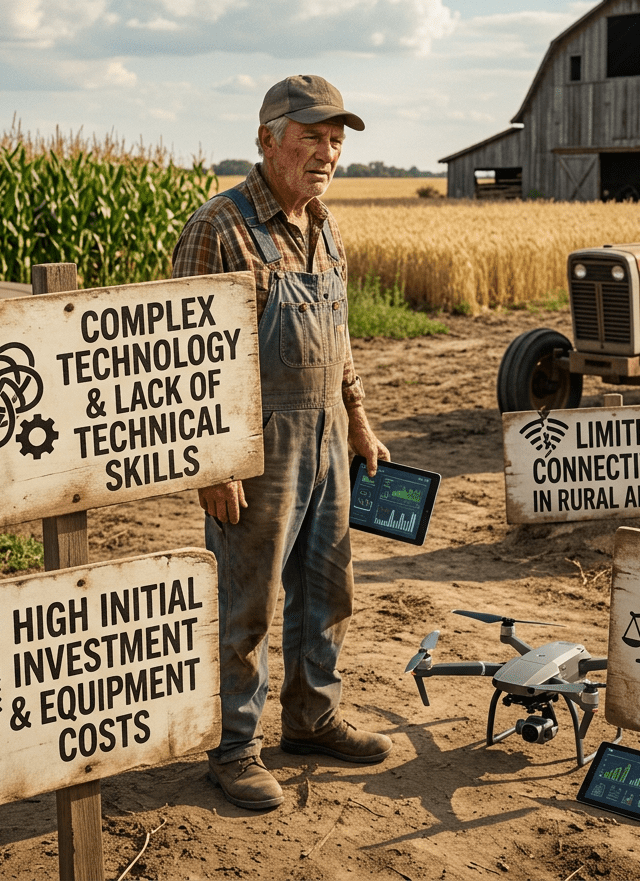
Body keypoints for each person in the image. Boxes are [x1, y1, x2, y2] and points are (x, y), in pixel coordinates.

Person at [171, 75, 393, 811]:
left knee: (328, 594)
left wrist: (358, 419)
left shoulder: (322, 224)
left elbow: (341, 336)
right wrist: (210, 459)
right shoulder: (221, 226)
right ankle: (234, 749)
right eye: (313, 137)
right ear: (268, 138)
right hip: (256, 447)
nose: (327, 152)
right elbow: (189, 360)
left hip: (326, 435)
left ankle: (311, 718)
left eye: (336, 140)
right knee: (248, 603)